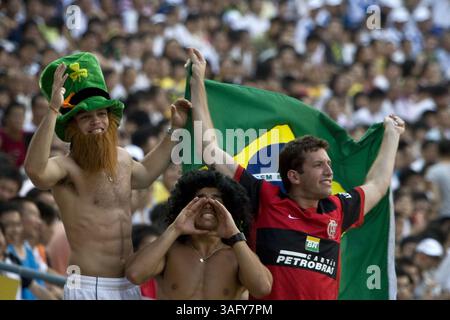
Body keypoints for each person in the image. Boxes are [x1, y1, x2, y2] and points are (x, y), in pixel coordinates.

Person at [188, 48, 406, 299]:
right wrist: (197, 81)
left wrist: (392, 136)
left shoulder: (338, 208)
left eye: (329, 164)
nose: (329, 172)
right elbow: (209, 151)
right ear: (293, 176)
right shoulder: (264, 197)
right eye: (319, 165)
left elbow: (378, 185)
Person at [24, 52, 191, 300]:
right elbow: (36, 171)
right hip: (89, 285)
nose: (97, 122)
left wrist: (174, 130)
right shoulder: (66, 168)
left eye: (102, 114)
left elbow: (145, 175)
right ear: (72, 126)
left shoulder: (122, 157)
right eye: (86, 117)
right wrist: (52, 109)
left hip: (129, 282)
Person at [125, 169, 273, 299]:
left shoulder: (238, 255)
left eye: (216, 199)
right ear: (184, 206)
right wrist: (175, 228)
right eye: (200, 197)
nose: (208, 202)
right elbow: (135, 274)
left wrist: (234, 233)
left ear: (230, 208)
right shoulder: (169, 250)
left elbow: (262, 289)